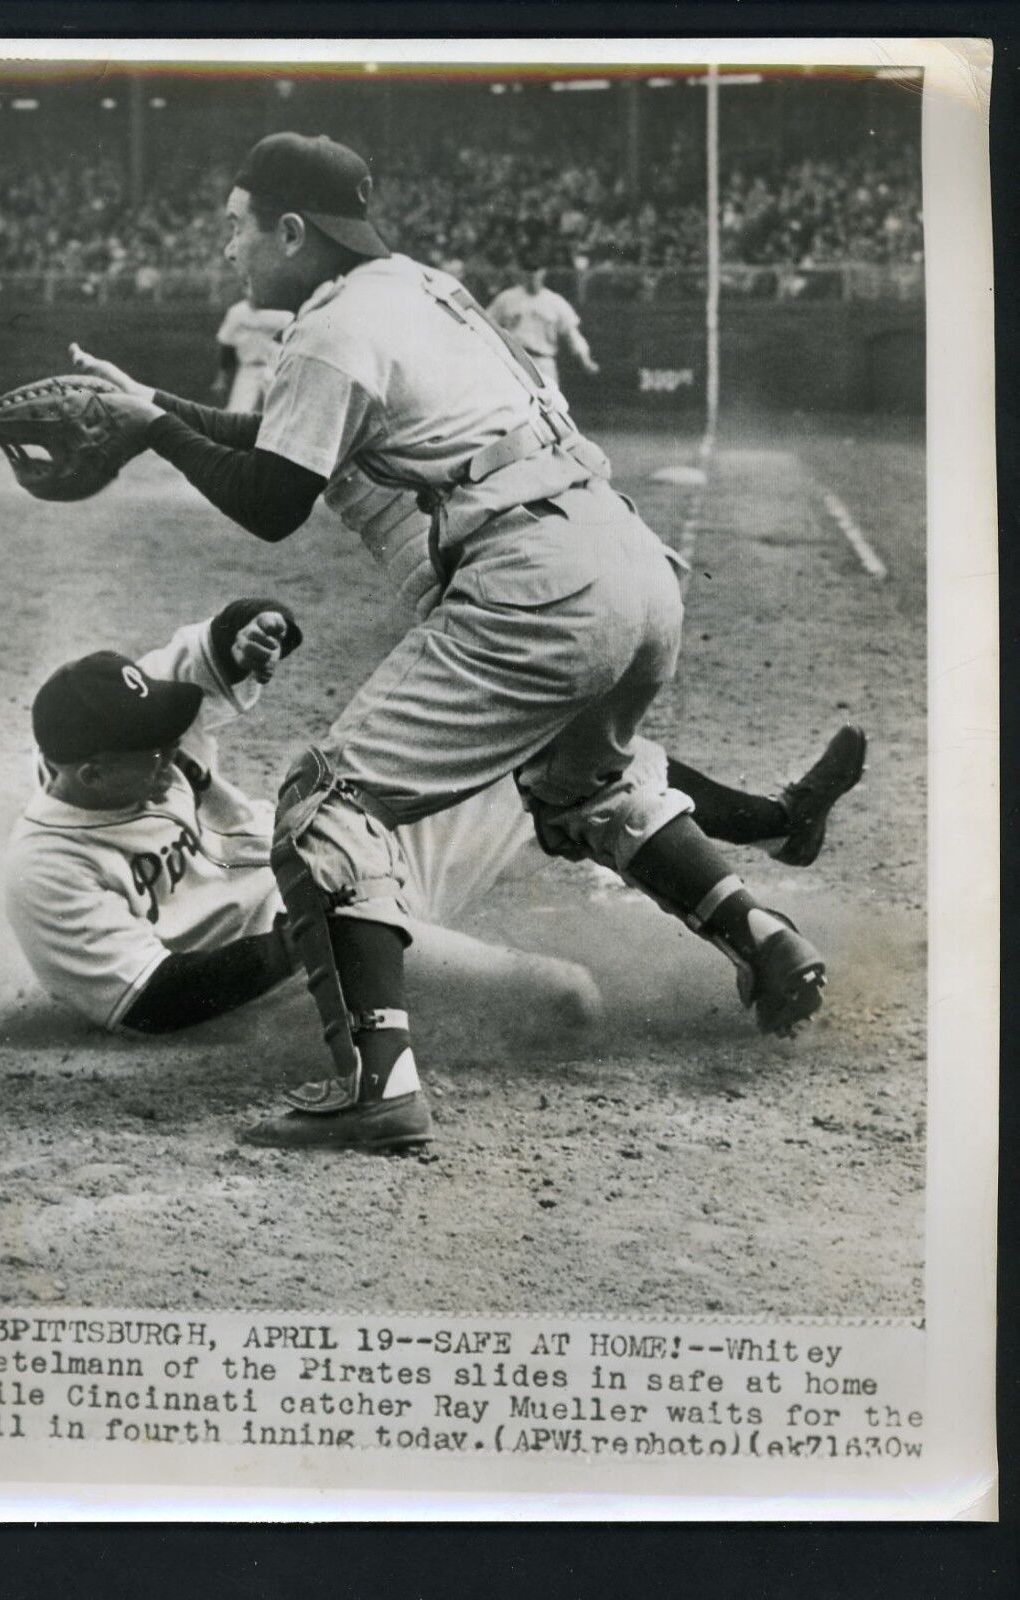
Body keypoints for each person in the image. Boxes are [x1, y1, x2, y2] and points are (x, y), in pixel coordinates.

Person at [69, 132, 856, 1152]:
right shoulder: (416, 288)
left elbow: (271, 501)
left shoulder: (327, 330)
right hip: (627, 564)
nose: (231, 251)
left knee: (321, 804)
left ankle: (377, 1085)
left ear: (293, 231)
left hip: (533, 581)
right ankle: (763, 934)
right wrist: (149, 409)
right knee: (582, 786)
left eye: (237, 228)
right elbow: (275, 437)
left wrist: (154, 435)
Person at [6, 593, 863, 1044]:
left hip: (340, 860)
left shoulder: (125, 743)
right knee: (569, 1000)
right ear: (84, 773)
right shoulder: (48, 872)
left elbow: (207, 654)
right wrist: (316, 934)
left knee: (551, 744)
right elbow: (150, 1003)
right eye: (149, 748)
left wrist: (252, 628)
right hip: (308, 965)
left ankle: (774, 826)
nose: (170, 747)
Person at [486, 261, 600, 392]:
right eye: (528, 272)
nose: (532, 276)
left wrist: (586, 360)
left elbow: (572, 335)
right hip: (516, 361)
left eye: (536, 271)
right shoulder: (506, 299)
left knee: (549, 403)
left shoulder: (555, 301)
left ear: (543, 273)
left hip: (544, 361)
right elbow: (487, 324)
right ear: (522, 274)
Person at [210, 298, 293, 412]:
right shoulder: (237, 312)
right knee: (239, 413)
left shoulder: (284, 311)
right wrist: (222, 377)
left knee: (279, 413)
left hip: (275, 369)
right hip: (248, 368)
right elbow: (226, 345)